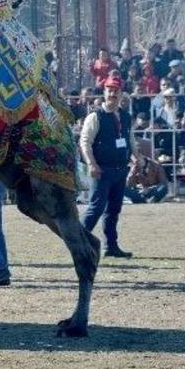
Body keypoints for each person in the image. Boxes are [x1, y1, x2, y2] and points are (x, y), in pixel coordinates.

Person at [79, 76, 138, 258]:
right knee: (95, 208)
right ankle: (77, 243)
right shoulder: (95, 116)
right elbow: (85, 142)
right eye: (109, 90)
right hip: (102, 170)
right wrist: (91, 163)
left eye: (115, 91)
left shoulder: (126, 117)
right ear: (104, 92)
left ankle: (110, 247)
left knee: (113, 210)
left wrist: (137, 157)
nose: (112, 94)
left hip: (120, 169)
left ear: (121, 94)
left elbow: (130, 140)